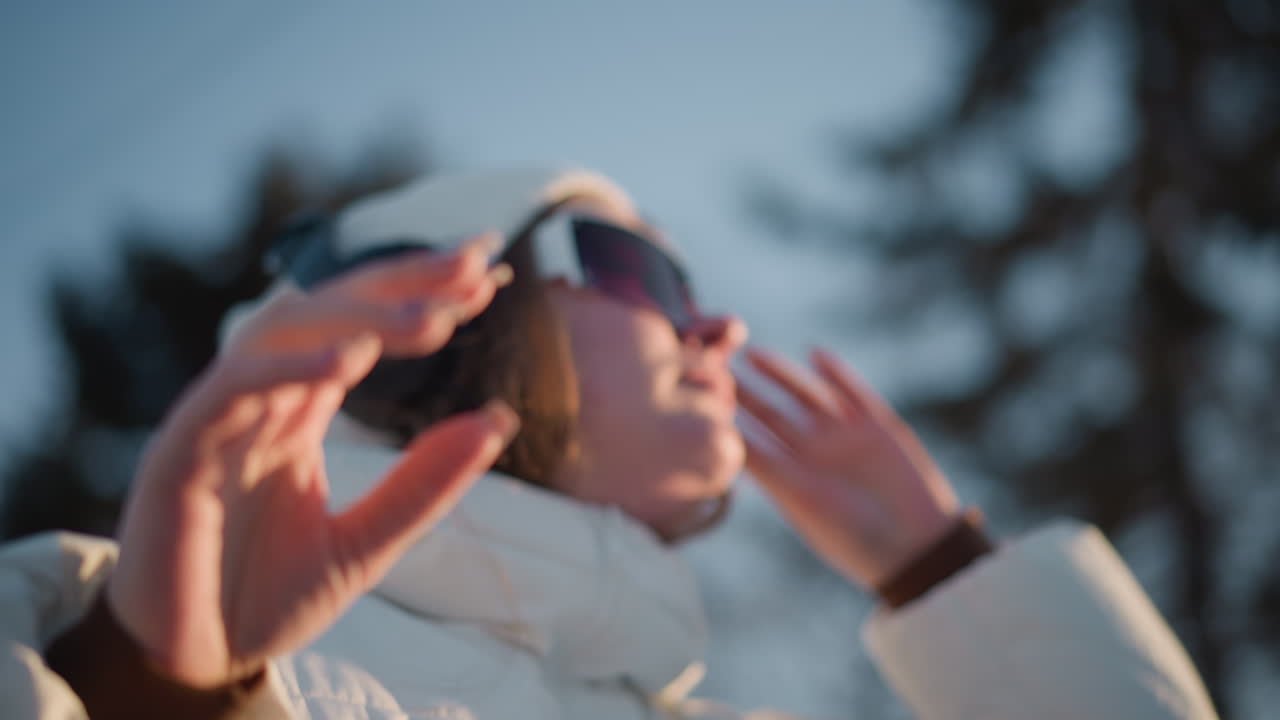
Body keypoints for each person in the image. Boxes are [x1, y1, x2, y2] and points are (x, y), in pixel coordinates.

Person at [0, 169, 1218, 719]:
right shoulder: (107, 648)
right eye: (642, 268)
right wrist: (151, 696)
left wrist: (951, 578)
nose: (722, 327)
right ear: (445, 307)